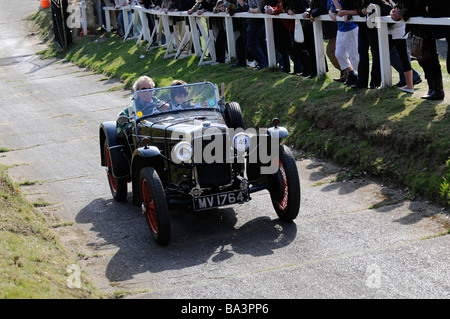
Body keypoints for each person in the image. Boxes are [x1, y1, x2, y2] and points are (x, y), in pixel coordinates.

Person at [391, 0, 447, 100]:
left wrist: (405, 13)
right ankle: (432, 88)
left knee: (430, 56)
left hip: (428, 25)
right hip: (417, 25)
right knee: (422, 58)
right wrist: (396, 11)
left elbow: (428, 9)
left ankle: (438, 90)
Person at [328, 0, 358, 86]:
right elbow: (330, 9)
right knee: (339, 54)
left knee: (355, 56)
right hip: (340, 29)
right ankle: (352, 73)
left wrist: (344, 12)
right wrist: (331, 14)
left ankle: (361, 78)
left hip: (351, 28)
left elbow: (352, 11)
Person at [247, 0, 269, 69]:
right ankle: (267, 63)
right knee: (261, 43)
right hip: (254, 20)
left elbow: (260, 9)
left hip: (258, 21)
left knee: (252, 44)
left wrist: (252, 10)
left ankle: (263, 63)